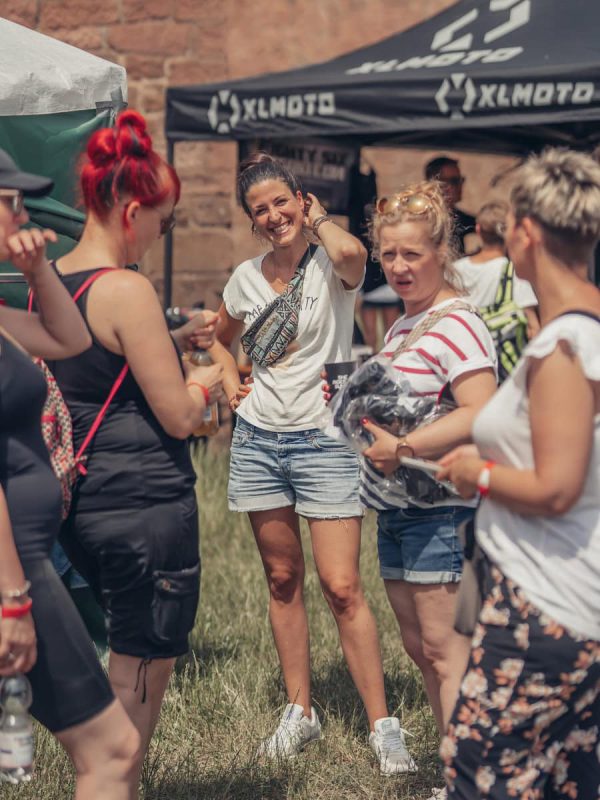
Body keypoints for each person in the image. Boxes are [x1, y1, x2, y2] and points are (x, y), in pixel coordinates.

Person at [219, 153, 414, 775]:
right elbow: (221, 339)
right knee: (282, 580)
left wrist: (318, 218)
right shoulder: (244, 278)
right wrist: (228, 381)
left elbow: (357, 256)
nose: (273, 216)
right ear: (251, 220)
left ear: (300, 200)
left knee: (342, 586)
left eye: (282, 202)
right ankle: (299, 712)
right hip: (258, 442)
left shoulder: (330, 263)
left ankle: (383, 725)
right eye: (261, 210)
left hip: (324, 440)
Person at [46, 110, 223, 776]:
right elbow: (179, 417)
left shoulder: (53, 281)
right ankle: (111, 785)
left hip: (86, 506)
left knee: (127, 658)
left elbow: (96, 367)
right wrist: (204, 383)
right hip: (144, 507)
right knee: (138, 674)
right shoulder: (127, 288)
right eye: (163, 221)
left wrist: (169, 342)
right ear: (129, 211)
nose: (159, 234)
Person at [437, 148, 600, 798]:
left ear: (527, 233)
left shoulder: (564, 348)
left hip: (543, 607)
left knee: (477, 771)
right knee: (563, 782)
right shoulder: (582, 328)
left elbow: (556, 487)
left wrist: (476, 472)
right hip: (569, 600)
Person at [0, 148, 141, 798]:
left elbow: (69, 339)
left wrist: (37, 270)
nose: (23, 216)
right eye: (12, 202)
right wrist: (13, 597)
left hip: (23, 560)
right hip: (15, 568)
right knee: (113, 750)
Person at [348, 182, 497, 747]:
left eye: (412, 253)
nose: (399, 266)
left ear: (442, 252)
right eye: (388, 254)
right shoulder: (402, 324)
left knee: (446, 650)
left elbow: (481, 412)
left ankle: (468, 772)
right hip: (397, 510)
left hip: (443, 512)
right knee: (421, 648)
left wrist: (405, 447)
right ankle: (452, 761)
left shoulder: (458, 322)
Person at [454, 201, 539, 339]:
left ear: (478, 229)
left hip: (465, 343)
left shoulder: (456, 270)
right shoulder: (513, 272)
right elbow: (532, 326)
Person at [348, 160, 402, 350]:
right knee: (388, 337)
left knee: (375, 339)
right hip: (381, 283)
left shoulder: (357, 219)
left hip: (373, 284)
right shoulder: (380, 218)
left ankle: (377, 363)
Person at [425, 157, 475, 256]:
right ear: (436, 184)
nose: (460, 186)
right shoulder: (420, 221)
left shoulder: (469, 223)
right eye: (454, 181)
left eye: (460, 180)